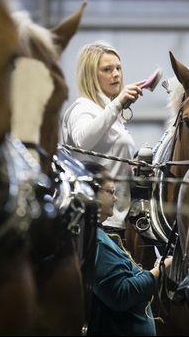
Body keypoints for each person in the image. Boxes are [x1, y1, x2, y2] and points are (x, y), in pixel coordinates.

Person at [61, 41, 143, 239]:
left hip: (118, 217)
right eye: (107, 69)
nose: (116, 74)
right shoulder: (83, 108)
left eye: (118, 68)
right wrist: (117, 105)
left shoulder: (106, 112)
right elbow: (82, 140)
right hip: (98, 221)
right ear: (91, 75)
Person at [83, 161, 172, 336]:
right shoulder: (96, 243)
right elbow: (121, 295)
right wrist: (160, 270)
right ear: (91, 194)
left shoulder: (97, 236)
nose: (115, 198)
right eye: (110, 192)